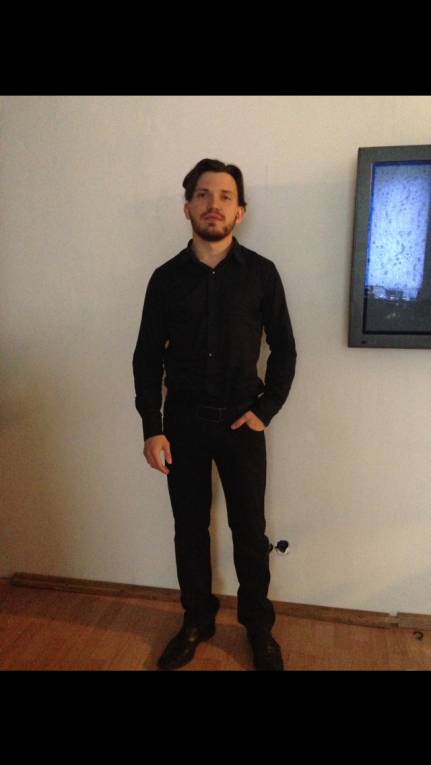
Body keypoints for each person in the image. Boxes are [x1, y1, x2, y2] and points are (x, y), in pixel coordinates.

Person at [133, 158, 297, 671]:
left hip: (241, 424)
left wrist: (265, 410)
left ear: (240, 211)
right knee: (189, 530)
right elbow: (146, 358)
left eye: (226, 196)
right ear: (187, 207)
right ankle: (197, 621)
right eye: (203, 195)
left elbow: (285, 349)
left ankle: (258, 628)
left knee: (250, 532)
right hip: (182, 425)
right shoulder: (165, 279)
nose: (213, 205)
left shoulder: (262, 274)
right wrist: (152, 428)